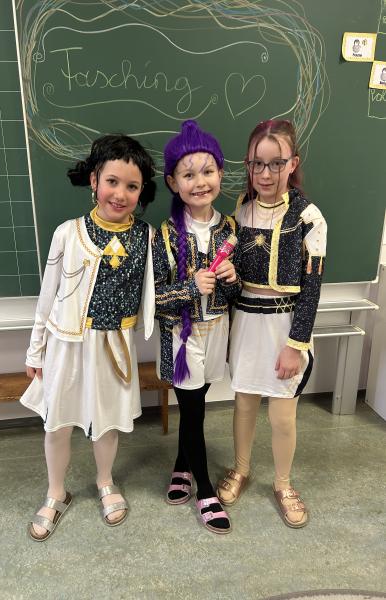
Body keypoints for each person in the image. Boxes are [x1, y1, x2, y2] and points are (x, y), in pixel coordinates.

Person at [21, 134, 156, 540]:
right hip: (66, 344)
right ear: (94, 180)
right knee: (57, 423)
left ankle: (105, 481)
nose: (120, 194)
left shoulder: (147, 236)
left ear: (141, 191)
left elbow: (158, 289)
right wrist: (35, 350)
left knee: (107, 422)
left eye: (131, 186)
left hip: (114, 346)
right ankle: (55, 491)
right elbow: (47, 296)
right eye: (112, 181)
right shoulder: (68, 233)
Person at [217, 119, 327, 528]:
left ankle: (283, 483)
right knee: (244, 403)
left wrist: (295, 345)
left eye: (275, 164)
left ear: (292, 163)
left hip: (285, 326)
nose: (265, 174)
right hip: (246, 321)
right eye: (256, 164)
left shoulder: (309, 217)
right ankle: (241, 468)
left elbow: (312, 288)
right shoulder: (241, 209)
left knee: (282, 415)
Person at [153, 119, 241, 534]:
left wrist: (232, 279)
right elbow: (153, 299)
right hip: (180, 337)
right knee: (192, 411)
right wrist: (190, 287)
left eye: (208, 171)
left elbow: (237, 293)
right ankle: (205, 491)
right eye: (188, 175)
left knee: (196, 406)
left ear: (220, 174)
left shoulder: (231, 228)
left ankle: (180, 464)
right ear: (173, 182)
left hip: (217, 329)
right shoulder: (164, 235)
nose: (200, 182)